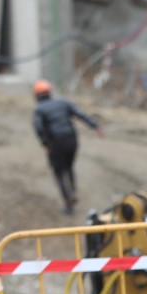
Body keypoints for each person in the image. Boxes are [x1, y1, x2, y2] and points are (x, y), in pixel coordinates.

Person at [32, 79, 102, 214]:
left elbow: (39, 128)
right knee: (69, 167)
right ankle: (73, 191)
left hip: (56, 142)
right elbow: (80, 114)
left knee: (58, 171)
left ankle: (68, 201)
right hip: (71, 139)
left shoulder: (39, 110)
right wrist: (96, 126)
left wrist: (46, 144)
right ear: (49, 92)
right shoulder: (63, 102)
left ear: (36, 95)